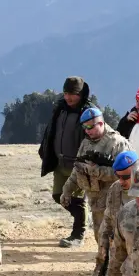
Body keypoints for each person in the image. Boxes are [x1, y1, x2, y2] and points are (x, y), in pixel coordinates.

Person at [65, 107, 132, 276]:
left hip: (114, 199)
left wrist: (96, 171)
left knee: (111, 236)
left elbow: (125, 174)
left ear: (101, 123)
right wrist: (67, 190)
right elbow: (78, 168)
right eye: (85, 128)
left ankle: (106, 269)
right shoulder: (86, 143)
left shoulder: (117, 143)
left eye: (91, 127)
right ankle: (107, 267)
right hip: (95, 200)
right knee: (99, 235)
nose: (88, 131)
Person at [38, 76, 92, 247]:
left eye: (73, 94)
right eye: (66, 93)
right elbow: (51, 130)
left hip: (78, 166)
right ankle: (82, 219)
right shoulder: (60, 108)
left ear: (81, 94)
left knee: (77, 199)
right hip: (60, 163)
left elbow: (93, 138)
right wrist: (45, 150)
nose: (68, 97)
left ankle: (78, 234)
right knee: (58, 195)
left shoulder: (88, 112)